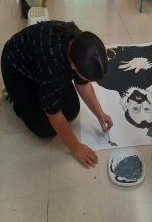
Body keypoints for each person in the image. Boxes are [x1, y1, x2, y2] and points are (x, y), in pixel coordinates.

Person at [1, 21, 113, 169]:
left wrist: (100, 114)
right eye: (86, 77)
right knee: (45, 130)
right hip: (17, 70)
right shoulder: (54, 66)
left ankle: (39, 92)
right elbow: (53, 114)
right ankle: (15, 99)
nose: (87, 81)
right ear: (73, 66)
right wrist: (75, 147)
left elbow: (83, 84)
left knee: (72, 109)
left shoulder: (80, 45)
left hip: (39, 66)